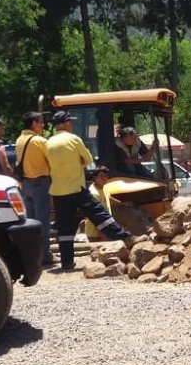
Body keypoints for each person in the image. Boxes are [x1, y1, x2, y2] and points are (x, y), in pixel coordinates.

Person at [47, 111, 134, 271]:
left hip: (58, 192)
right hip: (76, 188)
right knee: (99, 213)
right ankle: (125, 237)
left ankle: (67, 263)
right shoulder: (73, 139)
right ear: (66, 123)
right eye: (70, 122)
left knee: (64, 229)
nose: (72, 125)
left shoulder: (48, 143)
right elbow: (87, 159)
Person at [15, 111, 55, 268]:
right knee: (43, 220)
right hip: (40, 183)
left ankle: (32, 256)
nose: (43, 125)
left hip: (25, 184)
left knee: (30, 222)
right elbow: (53, 160)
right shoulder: (39, 141)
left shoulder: (19, 140)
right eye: (41, 122)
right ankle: (45, 255)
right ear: (34, 123)